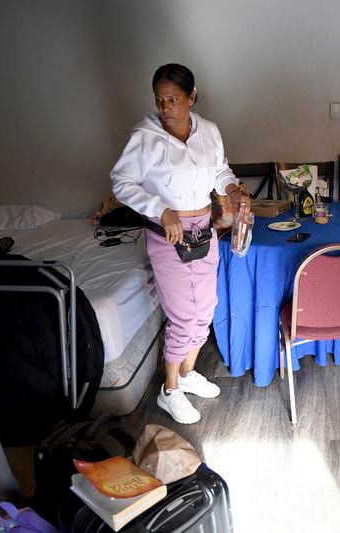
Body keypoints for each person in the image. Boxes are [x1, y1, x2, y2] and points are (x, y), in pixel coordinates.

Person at [111, 63, 250, 424]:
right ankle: (169, 390)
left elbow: (219, 170)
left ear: (192, 97)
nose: (166, 107)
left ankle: (186, 376)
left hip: (204, 230)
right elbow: (122, 183)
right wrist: (161, 210)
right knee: (183, 315)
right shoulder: (144, 137)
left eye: (173, 99)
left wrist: (232, 188)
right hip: (168, 235)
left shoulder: (209, 132)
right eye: (160, 101)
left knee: (205, 310)